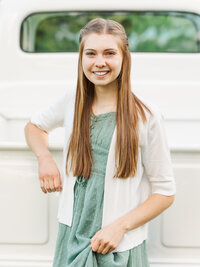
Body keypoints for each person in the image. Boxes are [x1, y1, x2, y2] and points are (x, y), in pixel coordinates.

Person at [24, 18, 176, 267]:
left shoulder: (147, 115)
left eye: (109, 53)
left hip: (117, 244)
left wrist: (119, 227)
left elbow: (165, 192)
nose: (99, 62)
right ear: (81, 58)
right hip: (72, 237)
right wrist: (44, 158)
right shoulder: (73, 101)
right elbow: (34, 126)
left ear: (124, 58)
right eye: (91, 53)